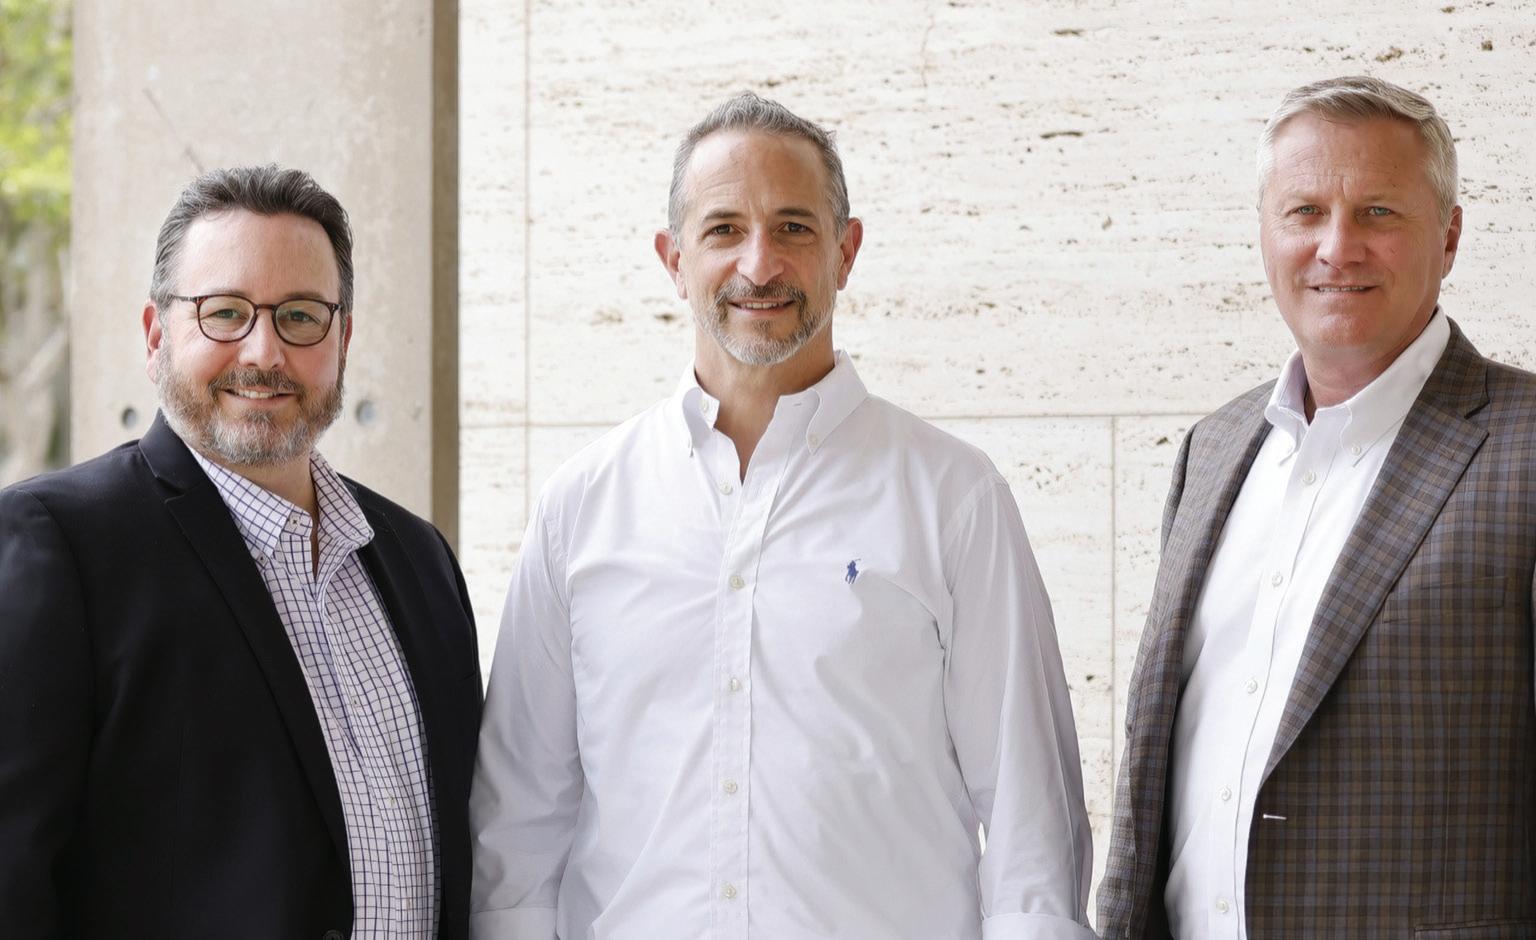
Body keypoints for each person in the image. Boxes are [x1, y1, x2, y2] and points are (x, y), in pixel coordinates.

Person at [469, 93, 1096, 939]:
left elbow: (1031, 828)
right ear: (674, 259)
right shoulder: (580, 509)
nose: (759, 264)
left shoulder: (954, 498)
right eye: (724, 229)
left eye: (793, 227)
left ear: (846, 251)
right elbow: (518, 832)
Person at [1099, 75, 1536, 939]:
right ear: (1265, 232)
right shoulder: (1213, 450)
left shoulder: (1524, 445)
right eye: (1305, 212)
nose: (1338, 247)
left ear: (1449, 237)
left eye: (1378, 212)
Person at [0, 165, 482, 939]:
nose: (264, 351)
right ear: (156, 334)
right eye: (224, 312)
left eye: (300, 316)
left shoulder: (420, 560)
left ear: (343, 338)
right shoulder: (59, 545)